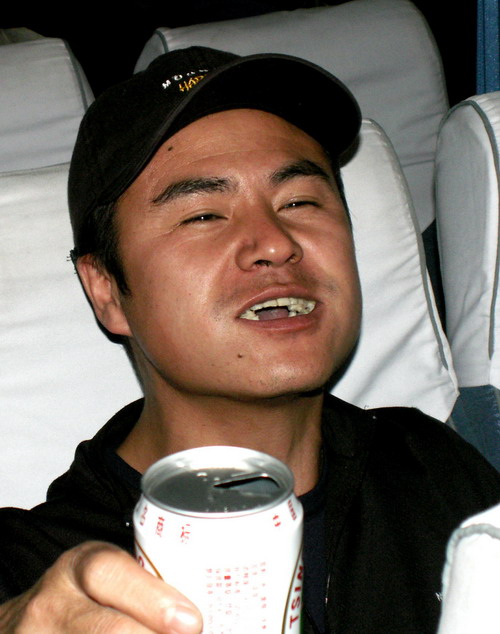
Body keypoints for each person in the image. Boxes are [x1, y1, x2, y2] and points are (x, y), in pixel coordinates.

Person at [0, 46, 498, 634]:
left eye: (300, 201)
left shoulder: (433, 466)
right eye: (203, 215)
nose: (276, 242)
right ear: (106, 289)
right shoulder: (32, 572)